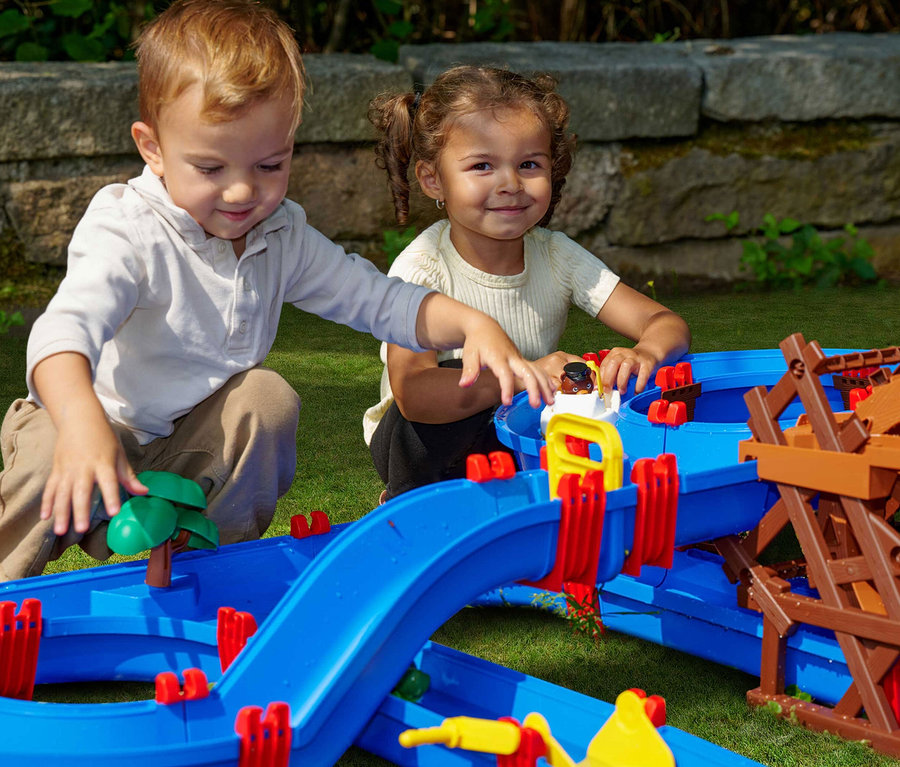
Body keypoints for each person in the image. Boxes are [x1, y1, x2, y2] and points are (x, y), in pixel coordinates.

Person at [0, 3, 554, 583]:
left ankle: (214, 575)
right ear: (153, 147)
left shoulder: (280, 232)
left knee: (265, 398)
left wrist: (473, 325)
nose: (243, 191)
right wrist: (84, 424)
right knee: (46, 451)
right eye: (210, 167)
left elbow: (378, 300)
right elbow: (61, 336)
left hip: (185, 443)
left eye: (269, 164)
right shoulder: (127, 227)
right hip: (86, 424)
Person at [364, 65, 691, 502]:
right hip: (422, 443)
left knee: (627, 389)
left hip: (519, 426)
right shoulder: (423, 268)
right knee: (456, 374)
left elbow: (665, 322)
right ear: (432, 179)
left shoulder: (556, 254)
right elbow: (415, 396)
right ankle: (409, 507)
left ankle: (576, 498)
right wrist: (525, 374)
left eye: (528, 164)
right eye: (482, 165)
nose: (510, 184)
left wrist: (645, 352)